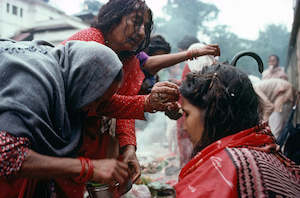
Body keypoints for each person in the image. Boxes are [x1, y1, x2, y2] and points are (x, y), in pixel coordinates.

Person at [63, 0, 220, 186]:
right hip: (62, 136)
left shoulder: (128, 57)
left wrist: (129, 148)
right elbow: (95, 103)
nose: (141, 33)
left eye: (145, 27)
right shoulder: (90, 40)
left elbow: (124, 109)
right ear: (112, 18)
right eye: (136, 22)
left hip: (89, 142)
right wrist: (147, 102)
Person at [0, 39, 131, 197]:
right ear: (82, 79)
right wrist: (89, 168)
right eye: (95, 99)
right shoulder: (35, 81)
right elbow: (6, 156)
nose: (93, 110)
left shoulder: (61, 73)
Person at [175, 64, 300, 197]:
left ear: (213, 114)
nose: (184, 127)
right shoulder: (263, 149)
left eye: (187, 114)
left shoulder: (227, 167)